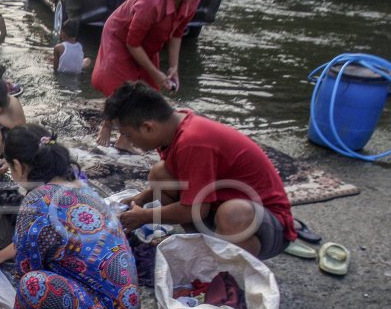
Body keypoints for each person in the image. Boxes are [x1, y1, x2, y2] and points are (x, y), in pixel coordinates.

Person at [0, 124, 139, 309]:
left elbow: (27, 271)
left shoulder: (36, 201)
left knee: (32, 284)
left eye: (10, 167)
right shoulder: (84, 190)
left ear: (18, 166)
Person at [104, 81, 298, 260]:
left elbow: (195, 209)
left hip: (268, 226)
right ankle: (207, 249)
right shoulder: (174, 128)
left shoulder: (193, 142)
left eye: (128, 135)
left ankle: (232, 274)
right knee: (159, 174)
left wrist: (145, 216)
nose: (129, 141)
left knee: (232, 213)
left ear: (148, 127)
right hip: (222, 206)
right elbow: (187, 179)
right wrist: (142, 198)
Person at [92, 0, 212, 152]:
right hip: (120, 37)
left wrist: (173, 67)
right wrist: (157, 73)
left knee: (148, 88)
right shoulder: (151, 1)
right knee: (124, 85)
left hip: (147, 41)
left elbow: (177, 33)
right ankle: (106, 125)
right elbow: (132, 43)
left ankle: (125, 138)